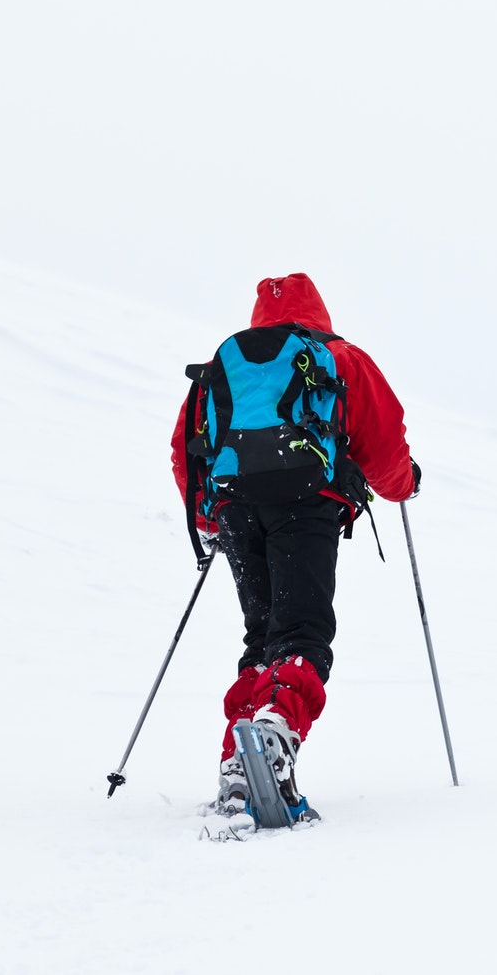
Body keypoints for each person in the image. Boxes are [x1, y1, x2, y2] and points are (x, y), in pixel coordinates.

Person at [170, 272, 418, 821]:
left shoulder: (224, 366)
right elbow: (383, 436)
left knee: (261, 633)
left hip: (236, 508)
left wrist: (210, 516)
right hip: (306, 504)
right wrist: (405, 486)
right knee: (302, 631)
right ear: (319, 310)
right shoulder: (340, 356)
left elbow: (186, 448)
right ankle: (275, 735)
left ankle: (240, 758)